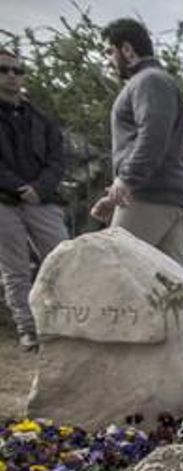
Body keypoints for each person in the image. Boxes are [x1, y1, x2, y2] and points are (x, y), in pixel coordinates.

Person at [90, 18, 183, 267]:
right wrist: (115, 196)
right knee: (167, 290)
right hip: (164, 195)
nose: (108, 60)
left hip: (150, 195)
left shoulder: (149, 81)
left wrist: (126, 180)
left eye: (110, 51)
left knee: (115, 272)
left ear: (127, 49)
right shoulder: (155, 81)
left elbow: (153, 136)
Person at [0, 49, 67, 352]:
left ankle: (65, 326)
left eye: (18, 69)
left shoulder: (41, 118)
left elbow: (57, 158)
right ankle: (29, 331)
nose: (12, 75)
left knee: (63, 262)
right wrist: (18, 188)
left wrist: (38, 188)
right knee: (15, 269)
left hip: (43, 201)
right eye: (4, 69)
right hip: (4, 202)